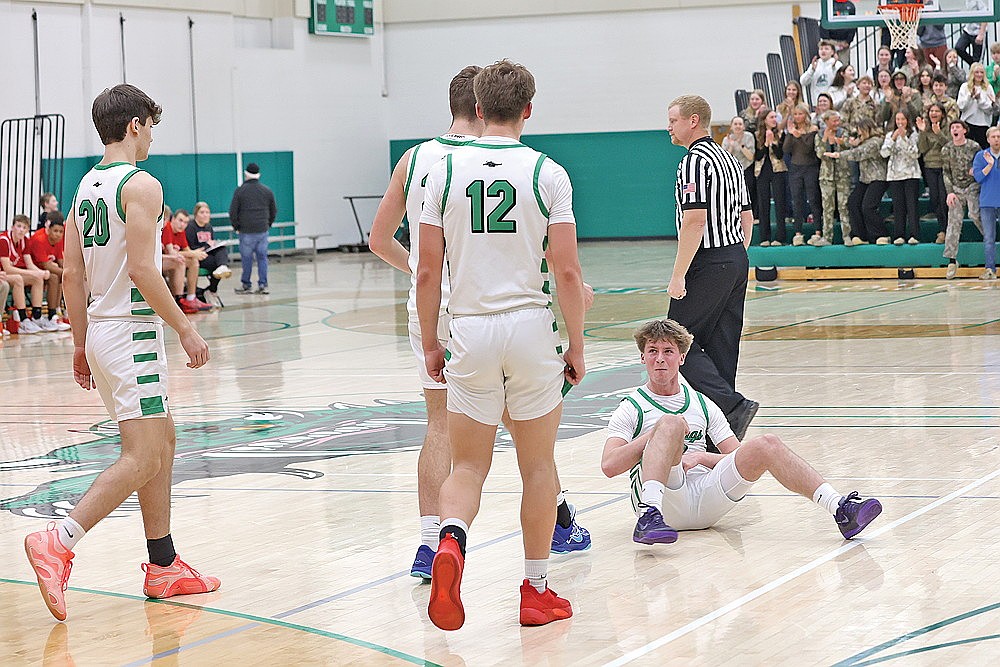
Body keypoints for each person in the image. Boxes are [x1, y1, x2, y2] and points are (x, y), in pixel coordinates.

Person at [368, 65, 593, 579]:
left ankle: (433, 543)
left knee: (443, 427)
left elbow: (383, 241)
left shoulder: (419, 159)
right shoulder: (540, 169)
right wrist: (574, 304)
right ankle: (549, 536)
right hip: (514, 310)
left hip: (444, 308)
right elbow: (556, 260)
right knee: (525, 427)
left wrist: (432, 273)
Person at [23, 83, 220, 622]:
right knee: (143, 455)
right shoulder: (142, 184)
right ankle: (58, 540)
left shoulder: (85, 186)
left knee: (164, 439)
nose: (152, 135)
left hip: (105, 334)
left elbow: (76, 274)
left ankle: (163, 564)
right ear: (135, 124)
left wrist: (80, 342)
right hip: (133, 334)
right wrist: (185, 329)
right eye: (151, 125)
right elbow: (141, 270)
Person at [601, 319, 883, 544]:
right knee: (671, 423)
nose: (660, 359)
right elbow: (610, 466)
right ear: (642, 358)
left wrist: (700, 458)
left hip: (706, 500)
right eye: (653, 351)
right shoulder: (632, 406)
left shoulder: (702, 403)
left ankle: (839, 508)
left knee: (766, 444)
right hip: (667, 499)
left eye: (667, 352)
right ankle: (649, 514)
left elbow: (736, 457)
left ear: (682, 358)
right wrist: (654, 436)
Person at [666, 94, 758, 440]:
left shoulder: (694, 162)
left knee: (672, 341)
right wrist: (735, 254)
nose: (668, 127)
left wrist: (678, 274)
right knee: (721, 344)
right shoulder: (728, 157)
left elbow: (694, 220)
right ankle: (720, 431)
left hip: (708, 260)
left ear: (692, 121)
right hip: (735, 256)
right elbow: (747, 217)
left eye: (673, 120)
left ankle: (731, 406)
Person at [827, 117, 891, 244]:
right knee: (853, 202)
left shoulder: (876, 142)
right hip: (865, 179)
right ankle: (860, 235)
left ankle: (880, 234)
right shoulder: (863, 142)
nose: (859, 133)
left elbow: (860, 153)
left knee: (868, 206)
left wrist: (840, 155)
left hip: (878, 178)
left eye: (861, 130)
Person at [0, 214, 57, 333]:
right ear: (12, 227)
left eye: (24, 227)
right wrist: (32, 273)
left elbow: (29, 264)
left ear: (27, 230)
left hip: (11, 274)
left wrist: (41, 272)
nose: (21, 230)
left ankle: (37, 316)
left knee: (37, 279)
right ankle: (23, 319)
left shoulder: (25, 241)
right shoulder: (4, 240)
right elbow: (7, 268)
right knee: (18, 279)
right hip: (4, 274)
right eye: (18, 226)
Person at [941, 119, 983, 278]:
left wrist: (976, 170)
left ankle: (991, 246)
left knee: (975, 214)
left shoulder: (974, 147)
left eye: (958, 127)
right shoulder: (947, 149)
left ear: (964, 130)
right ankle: (952, 260)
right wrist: (949, 192)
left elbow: (981, 164)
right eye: (952, 127)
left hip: (972, 186)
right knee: (953, 221)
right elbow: (945, 172)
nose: (954, 129)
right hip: (956, 189)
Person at [229, 162, 276, 295]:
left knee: (247, 259)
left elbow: (233, 211)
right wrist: (268, 224)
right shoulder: (267, 191)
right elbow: (274, 210)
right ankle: (263, 284)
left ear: (246, 174)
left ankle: (246, 284)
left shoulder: (240, 191)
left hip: (246, 231)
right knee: (262, 258)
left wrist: (236, 226)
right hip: (262, 230)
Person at [784, 104, 824, 246]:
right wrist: (790, 134)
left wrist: (799, 136)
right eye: (795, 114)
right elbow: (786, 149)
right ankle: (798, 233)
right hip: (795, 168)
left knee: (813, 199)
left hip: (810, 167)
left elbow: (808, 148)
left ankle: (818, 231)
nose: (798, 117)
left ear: (806, 115)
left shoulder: (812, 129)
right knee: (797, 200)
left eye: (800, 114)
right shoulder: (793, 130)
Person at [161, 209, 214, 313]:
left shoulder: (181, 232)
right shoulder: (167, 228)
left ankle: (191, 298)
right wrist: (194, 254)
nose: (182, 224)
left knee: (193, 261)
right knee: (180, 262)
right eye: (180, 220)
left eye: (185, 222)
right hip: (160, 260)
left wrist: (197, 253)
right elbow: (171, 253)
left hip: (168, 260)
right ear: (173, 219)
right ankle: (178, 298)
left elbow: (188, 251)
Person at [881, 111, 921, 245]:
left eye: (902, 119)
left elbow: (915, 154)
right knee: (898, 207)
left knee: (912, 206)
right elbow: (884, 153)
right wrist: (893, 139)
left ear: (907, 120)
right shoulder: (889, 135)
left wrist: (905, 138)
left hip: (911, 174)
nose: (900, 122)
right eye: (897, 119)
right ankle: (899, 235)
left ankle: (914, 235)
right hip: (894, 176)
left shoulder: (914, 133)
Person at [26, 211, 72, 330]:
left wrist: (68, 271)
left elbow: (61, 260)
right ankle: (51, 315)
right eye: (55, 231)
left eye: (61, 232)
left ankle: (56, 313)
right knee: (55, 277)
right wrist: (67, 272)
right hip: (30, 269)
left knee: (61, 276)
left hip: (45, 271)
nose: (58, 234)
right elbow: (46, 265)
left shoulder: (58, 240)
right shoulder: (39, 239)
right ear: (49, 229)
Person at [815, 110, 853, 245]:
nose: (837, 123)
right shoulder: (819, 135)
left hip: (842, 174)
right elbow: (819, 154)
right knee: (828, 207)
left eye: (838, 120)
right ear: (826, 122)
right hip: (826, 176)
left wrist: (839, 141)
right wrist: (825, 139)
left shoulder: (843, 132)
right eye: (834, 120)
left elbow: (849, 146)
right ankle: (827, 237)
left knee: (844, 206)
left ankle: (847, 235)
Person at [185, 202, 231, 306]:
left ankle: (222, 267)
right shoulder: (191, 227)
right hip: (196, 256)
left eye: (207, 212)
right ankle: (211, 290)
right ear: (196, 214)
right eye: (202, 212)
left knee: (222, 249)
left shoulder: (208, 227)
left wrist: (211, 245)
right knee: (216, 265)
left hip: (207, 253)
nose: (205, 215)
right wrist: (206, 245)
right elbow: (190, 248)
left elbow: (210, 244)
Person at [754, 109, 789, 247]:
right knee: (763, 204)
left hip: (778, 170)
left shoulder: (781, 134)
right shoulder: (757, 135)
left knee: (780, 203)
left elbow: (781, 155)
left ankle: (780, 237)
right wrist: (766, 143)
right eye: (771, 117)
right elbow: (757, 156)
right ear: (764, 120)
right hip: (762, 171)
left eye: (775, 117)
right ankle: (764, 237)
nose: (774, 119)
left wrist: (773, 144)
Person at [916, 104, 951, 244]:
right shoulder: (925, 128)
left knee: (944, 199)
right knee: (935, 198)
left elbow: (949, 146)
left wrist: (939, 134)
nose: (934, 113)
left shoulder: (948, 127)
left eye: (937, 111)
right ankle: (942, 230)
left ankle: (947, 230)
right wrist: (923, 132)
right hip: (930, 167)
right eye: (931, 111)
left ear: (942, 113)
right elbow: (922, 149)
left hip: (944, 167)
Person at [972, 126, 1000, 280]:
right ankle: (990, 268)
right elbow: (978, 178)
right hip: (988, 202)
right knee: (989, 238)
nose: (996, 139)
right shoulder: (980, 156)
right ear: (988, 139)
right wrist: (989, 165)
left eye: (999, 136)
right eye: (994, 137)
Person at [723, 116, 757, 223]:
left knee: (749, 193)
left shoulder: (749, 137)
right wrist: (731, 146)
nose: (738, 126)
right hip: (732, 172)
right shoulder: (727, 139)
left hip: (746, 169)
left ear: (744, 126)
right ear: (731, 126)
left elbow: (751, 157)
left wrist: (741, 145)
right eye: (735, 124)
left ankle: (750, 217)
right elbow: (724, 159)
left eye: (740, 124)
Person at [957, 63, 995, 148]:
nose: (979, 75)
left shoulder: (988, 87)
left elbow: (989, 110)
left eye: (981, 72)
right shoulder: (964, 87)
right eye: (976, 72)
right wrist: (970, 97)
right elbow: (961, 106)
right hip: (967, 124)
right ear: (972, 73)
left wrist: (979, 100)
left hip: (983, 125)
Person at [955, 2, 988, 66]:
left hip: (978, 32)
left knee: (978, 59)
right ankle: (973, 65)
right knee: (958, 48)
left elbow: (985, 15)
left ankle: (975, 66)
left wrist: (981, 34)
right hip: (968, 31)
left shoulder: (979, 2)